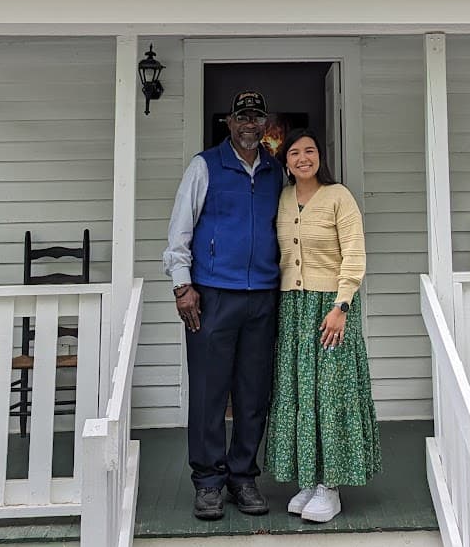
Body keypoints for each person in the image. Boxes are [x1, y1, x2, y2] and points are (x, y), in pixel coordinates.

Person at [163, 89, 283, 520]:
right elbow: (179, 230)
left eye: (256, 116)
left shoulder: (275, 171)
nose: (249, 124)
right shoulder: (205, 166)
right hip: (211, 295)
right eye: (242, 117)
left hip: (263, 297)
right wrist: (182, 286)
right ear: (229, 123)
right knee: (210, 392)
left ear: (264, 124)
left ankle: (242, 476)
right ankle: (209, 482)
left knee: (253, 393)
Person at [266, 129, 381, 522]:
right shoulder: (281, 199)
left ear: (320, 157)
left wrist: (341, 304)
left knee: (330, 394)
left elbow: (354, 254)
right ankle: (308, 479)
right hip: (292, 308)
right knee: (300, 393)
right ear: (286, 162)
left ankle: (330, 487)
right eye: (294, 152)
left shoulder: (338, 197)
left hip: (331, 306)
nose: (302, 158)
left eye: (309, 151)